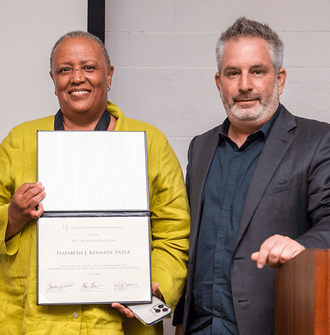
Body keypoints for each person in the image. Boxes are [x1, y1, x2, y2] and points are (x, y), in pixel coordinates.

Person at [0, 31, 190, 335]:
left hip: (121, 324)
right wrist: (12, 216)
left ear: (109, 75)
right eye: (65, 69)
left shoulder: (151, 144)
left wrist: (156, 286)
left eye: (88, 67)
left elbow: (174, 233)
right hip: (33, 324)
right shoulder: (18, 142)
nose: (77, 78)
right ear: (53, 79)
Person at [173, 17, 330, 335]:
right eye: (233, 73)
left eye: (257, 71)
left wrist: (299, 245)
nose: (245, 85)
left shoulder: (317, 140)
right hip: (197, 325)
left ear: (280, 79)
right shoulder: (200, 147)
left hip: (268, 325)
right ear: (219, 82)